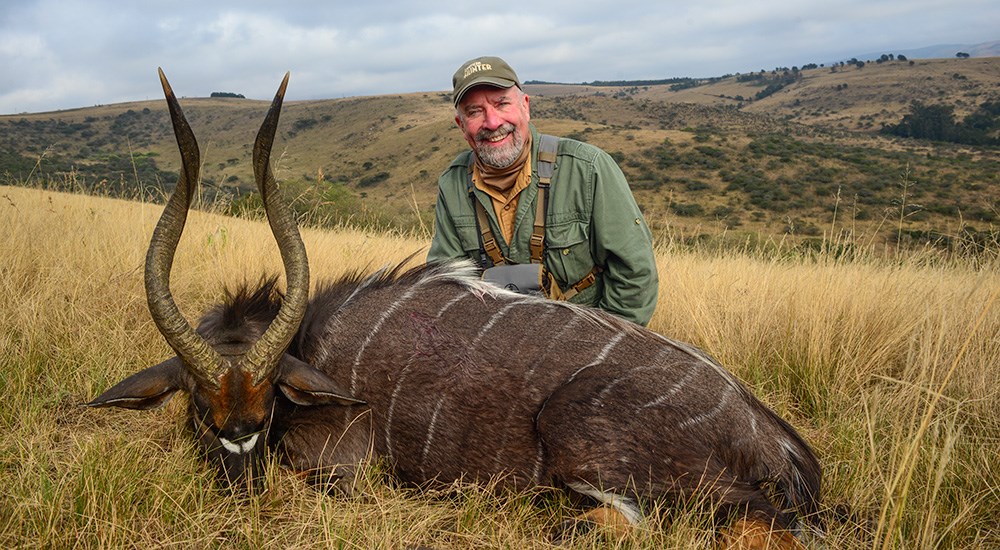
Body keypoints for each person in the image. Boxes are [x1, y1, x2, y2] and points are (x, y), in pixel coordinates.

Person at [427, 56, 658, 326]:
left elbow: (635, 275)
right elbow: (445, 286)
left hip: (587, 339)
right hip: (495, 343)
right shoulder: (452, 184)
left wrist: (600, 349)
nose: (492, 122)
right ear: (461, 125)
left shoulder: (588, 168)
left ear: (525, 107)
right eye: (474, 112)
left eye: (502, 103)